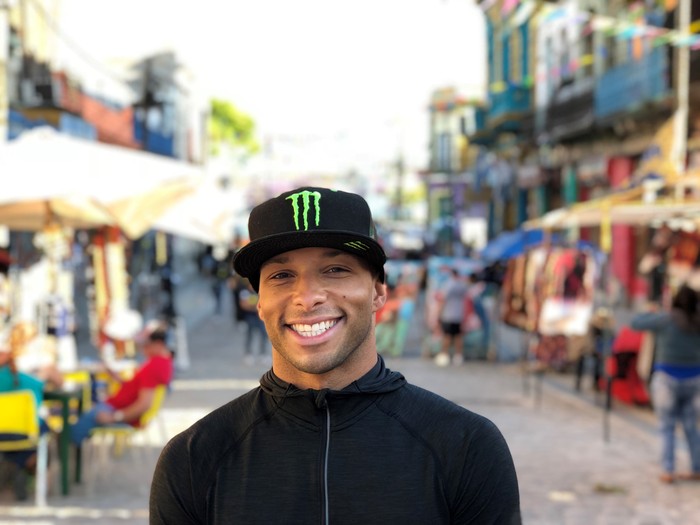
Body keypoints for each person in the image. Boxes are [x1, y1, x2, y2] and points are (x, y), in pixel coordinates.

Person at [150, 186, 521, 524]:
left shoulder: (466, 446)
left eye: (336, 270)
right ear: (259, 302)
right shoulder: (194, 458)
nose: (307, 297)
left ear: (378, 291)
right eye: (281, 275)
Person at [631, 284, 700, 484]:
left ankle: (668, 470)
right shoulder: (697, 321)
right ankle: (697, 467)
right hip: (695, 379)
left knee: (666, 426)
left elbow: (636, 323)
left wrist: (651, 311)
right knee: (691, 426)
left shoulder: (665, 318)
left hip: (666, 378)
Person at [69, 321, 173, 445]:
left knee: (71, 431)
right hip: (116, 409)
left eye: (146, 344)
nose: (142, 348)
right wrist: (116, 377)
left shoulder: (155, 365)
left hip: (118, 413)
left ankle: (63, 449)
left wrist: (115, 417)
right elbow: (137, 388)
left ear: (158, 344)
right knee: (79, 417)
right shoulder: (162, 362)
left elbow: (144, 404)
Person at [434, 267, 470, 367]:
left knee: (447, 335)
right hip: (459, 314)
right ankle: (458, 356)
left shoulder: (448, 284)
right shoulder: (462, 285)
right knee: (458, 336)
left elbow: (443, 300)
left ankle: (444, 355)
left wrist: (439, 313)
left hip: (448, 314)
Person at [238, 280, 270, 365]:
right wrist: (255, 307)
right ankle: (248, 353)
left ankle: (263, 354)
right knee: (250, 335)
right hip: (250, 317)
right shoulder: (245, 292)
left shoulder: (261, 292)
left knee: (263, 335)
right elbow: (243, 305)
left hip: (260, 317)